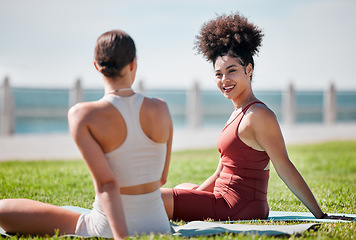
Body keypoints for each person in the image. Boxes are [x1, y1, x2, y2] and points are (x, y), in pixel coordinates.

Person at [0, 30, 173, 239]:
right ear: (133, 63)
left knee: (3, 209)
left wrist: (122, 237)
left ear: (97, 66)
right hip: (159, 223)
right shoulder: (161, 108)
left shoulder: (82, 115)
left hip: (110, 227)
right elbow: (162, 178)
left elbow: (107, 185)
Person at [161, 12, 331, 222]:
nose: (224, 80)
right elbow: (219, 174)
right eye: (218, 74)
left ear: (248, 69)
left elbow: (284, 167)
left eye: (231, 71)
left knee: (156, 199)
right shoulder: (238, 112)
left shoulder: (257, 115)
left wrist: (320, 215)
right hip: (224, 198)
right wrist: (194, 195)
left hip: (236, 207)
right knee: (182, 188)